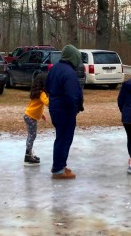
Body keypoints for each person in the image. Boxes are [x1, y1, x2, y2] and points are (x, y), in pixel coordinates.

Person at [46, 45, 84, 179]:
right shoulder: (69, 72)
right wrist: (74, 109)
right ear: (72, 57)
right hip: (65, 110)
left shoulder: (55, 68)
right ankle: (58, 169)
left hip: (55, 107)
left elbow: (47, 86)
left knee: (61, 137)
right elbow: (72, 95)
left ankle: (60, 165)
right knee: (64, 138)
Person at [23, 73, 49, 166]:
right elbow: (47, 102)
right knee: (32, 136)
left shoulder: (36, 92)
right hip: (31, 118)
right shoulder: (42, 93)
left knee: (31, 135)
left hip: (28, 115)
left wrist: (42, 114)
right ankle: (28, 155)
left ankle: (29, 153)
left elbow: (34, 106)